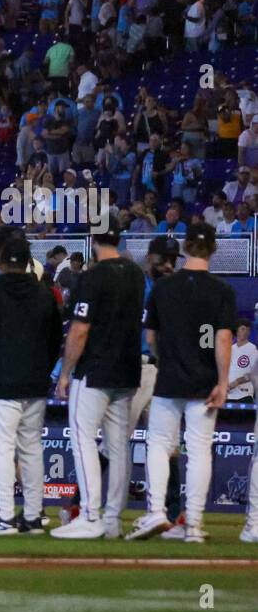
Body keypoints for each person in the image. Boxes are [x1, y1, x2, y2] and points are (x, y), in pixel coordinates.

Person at [130, 222, 235, 543]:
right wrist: (222, 381)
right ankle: (192, 524)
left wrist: (168, 360)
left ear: (186, 247)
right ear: (214, 249)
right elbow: (224, 338)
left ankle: (156, 513)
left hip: (170, 377)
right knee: (200, 450)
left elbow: (151, 335)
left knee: (160, 445)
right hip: (204, 380)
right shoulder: (222, 291)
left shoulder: (164, 288)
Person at [0, 235, 64, 535]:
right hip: (34, 383)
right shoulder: (45, 294)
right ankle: (33, 517)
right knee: (31, 449)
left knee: (2, 450)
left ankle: (4, 517)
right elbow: (54, 340)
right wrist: (42, 371)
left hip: (2, 382)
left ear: (3, 261)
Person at [52, 223, 143, 539]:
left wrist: (65, 372)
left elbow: (79, 329)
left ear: (93, 240)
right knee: (118, 446)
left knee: (83, 438)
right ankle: (112, 520)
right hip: (128, 369)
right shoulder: (135, 274)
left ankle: (90, 515)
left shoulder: (92, 277)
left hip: (95, 369)